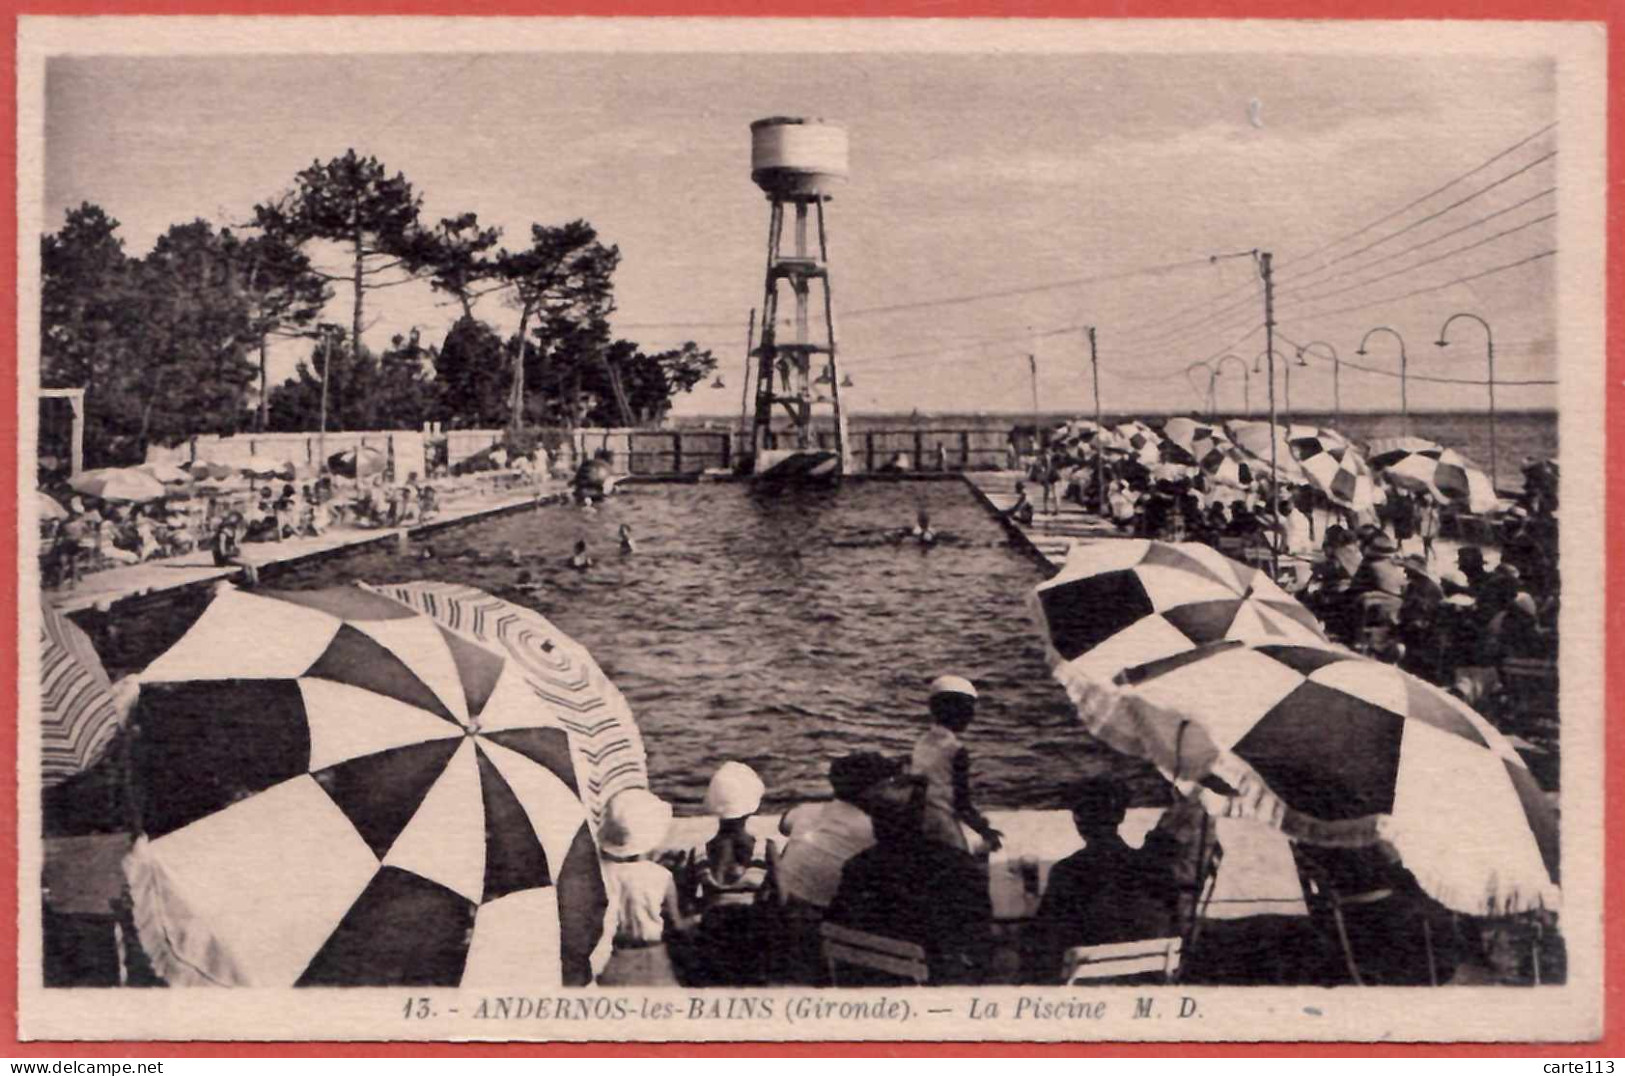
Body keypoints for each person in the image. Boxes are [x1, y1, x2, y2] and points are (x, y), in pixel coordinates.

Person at [824, 781, 993, 984]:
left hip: (872, 977)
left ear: (877, 823)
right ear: (922, 820)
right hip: (933, 981)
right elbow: (979, 933)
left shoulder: (857, 866)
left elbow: (840, 920)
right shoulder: (955, 864)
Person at [1032, 779, 1179, 981]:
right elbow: (1172, 919)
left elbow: (1043, 934)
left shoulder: (1067, 872)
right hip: (1146, 978)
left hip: (1089, 983)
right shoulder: (1157, 868)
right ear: (1121, 816)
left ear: (1078, 820)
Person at [597, 789, 699, 986]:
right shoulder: (661, 876)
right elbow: (677, 926)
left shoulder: (601, 874)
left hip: (613, 959)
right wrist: (697, 919)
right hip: (654, 959)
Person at [690, 761, 773, 985]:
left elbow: (687, 901)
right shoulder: (765, 848)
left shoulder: (698, 852)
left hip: (711, 941)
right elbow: (781, 898)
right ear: (753, 806)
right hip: (752, 939)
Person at [909, 675, 1002, 854]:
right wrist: (986, 831)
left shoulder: (921, 742)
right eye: (969, 710)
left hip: (920, 823)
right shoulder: (956, 749)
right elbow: (962, 804)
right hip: (942, 825)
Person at [1415, 493, 1441, 566]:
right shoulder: (1422, 509)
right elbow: (1418, 517)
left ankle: (1431, 555)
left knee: (1427, 543)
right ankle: (1428, 556)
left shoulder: (1430, 510)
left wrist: (1437, 525)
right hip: (1425, 526)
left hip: (1429, 526)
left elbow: (1436, 518)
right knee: (1426, 543)